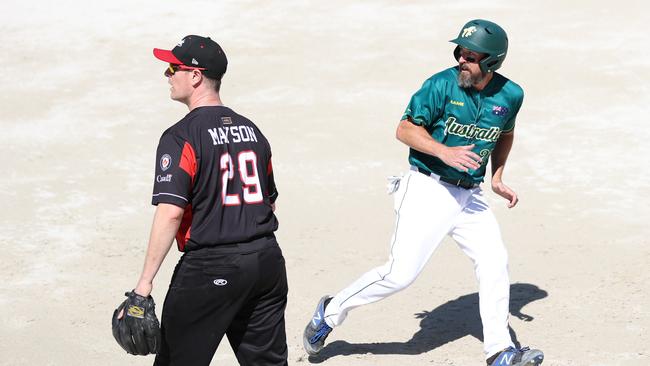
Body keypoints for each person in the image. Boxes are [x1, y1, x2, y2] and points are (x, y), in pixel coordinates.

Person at [303, 20, 544, 366]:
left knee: (494, 263)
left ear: (492, 62)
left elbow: (505, 133)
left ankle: (499, 351)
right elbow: (404, 129)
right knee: (399, 275)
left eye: (472, 55)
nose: (462, 59)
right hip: (428, 187)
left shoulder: (511, 95)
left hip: (470, 196)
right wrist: (444, 152)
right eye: (460, 51)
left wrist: (498, 176)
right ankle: (329, 313)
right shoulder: (440, 85)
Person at [129, 35, 288, 366]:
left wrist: (143, 286)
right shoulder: (253, 131)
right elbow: (269, 201)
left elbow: (171, 213)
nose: (167, 76)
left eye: (173, 68)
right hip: (266, 264)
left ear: (196, 76)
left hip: (211, 269)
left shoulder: (181, 136)